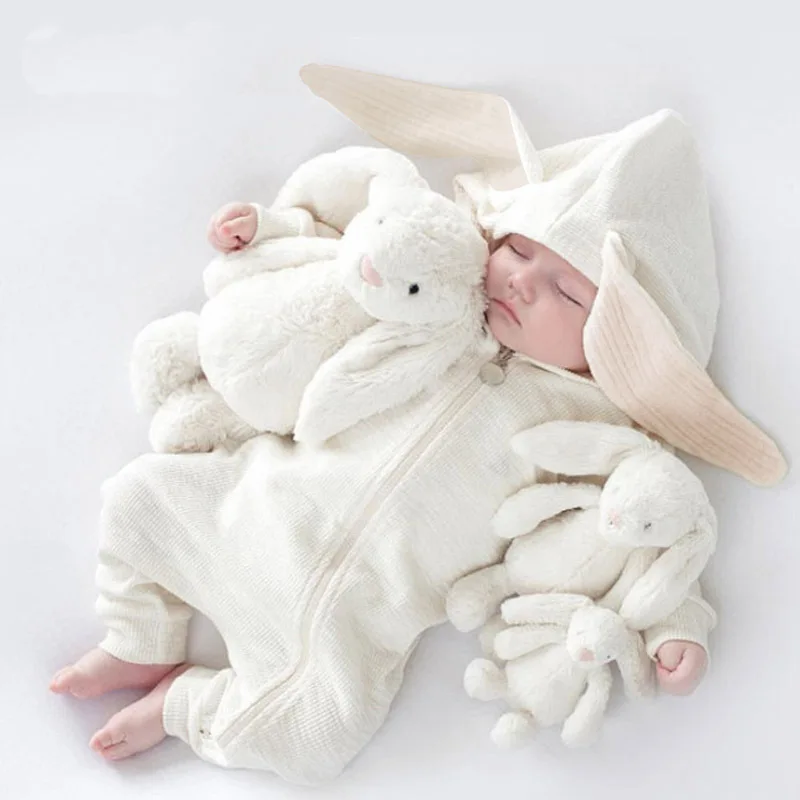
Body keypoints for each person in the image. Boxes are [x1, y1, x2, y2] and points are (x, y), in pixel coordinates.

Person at [49, 67, 786, 785]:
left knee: (313, 740)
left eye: (566, 290)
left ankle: (181, 707)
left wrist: (675, 627)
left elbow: (648, 532)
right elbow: (350, 252)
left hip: (360, 617)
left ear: (624, 335)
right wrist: (269, 228)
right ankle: (139, 639)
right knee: (137, 499)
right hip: (254, 506)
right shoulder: (438, 294)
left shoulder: (595, 430)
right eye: (517, 248)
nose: (520, 280)